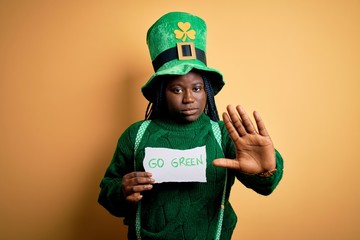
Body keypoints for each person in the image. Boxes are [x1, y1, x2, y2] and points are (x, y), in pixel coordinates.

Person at [98, 11, 283, 240]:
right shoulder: (136, 135)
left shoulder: (224, 135)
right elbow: (108, 193)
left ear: (207, 90)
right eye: (176, 89)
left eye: (196, 88)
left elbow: (267, 186)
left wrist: (266, 171)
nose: (188, 98)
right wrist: (121, 190)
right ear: (160, 93)